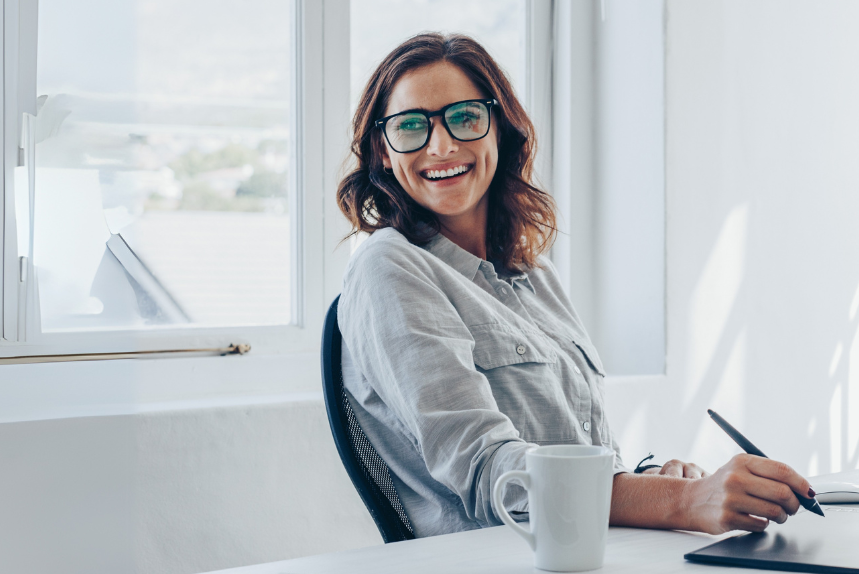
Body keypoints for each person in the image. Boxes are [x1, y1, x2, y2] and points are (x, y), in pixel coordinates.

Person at [335, 32, 814, 538]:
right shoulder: (388, 267)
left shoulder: (533, 270)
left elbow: (583, 449)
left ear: (499, 129)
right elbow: (491, 472)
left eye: (465, 117)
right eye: (411, 126)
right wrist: (684, 501)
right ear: (382, 152)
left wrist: (651, 483)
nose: (442, 144)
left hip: (590, 552)